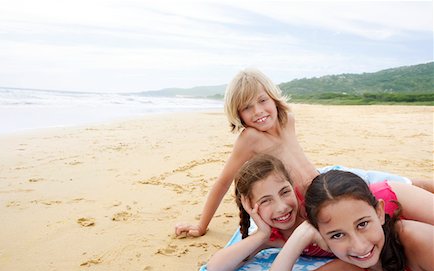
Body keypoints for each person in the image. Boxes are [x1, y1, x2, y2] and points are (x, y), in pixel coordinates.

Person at [174, 68, 434, 238]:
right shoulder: (249, 139)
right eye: (247, 107)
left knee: (414, 184)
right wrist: (201, 225)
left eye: (262, 100)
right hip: (314, 197)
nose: (258, 111)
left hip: (328, 178)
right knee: (394, 212)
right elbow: (223, 181)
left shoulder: (288, 119)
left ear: (273, 98)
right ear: (238, 114)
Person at [206, 154, 434, 271]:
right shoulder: (272, 236)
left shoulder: (313, 206)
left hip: (392, 198)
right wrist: (260, 235)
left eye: (284, 192)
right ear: (250, 206)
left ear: (292, 186)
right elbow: (216, 267)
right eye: (265, 201)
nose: (282, 207)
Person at [262, 170, 434, 271]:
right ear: (322, 238)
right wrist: (303, 233)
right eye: (337, 235)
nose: (359, 246)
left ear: (379, 212)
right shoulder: (349, 269)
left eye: (363, 224)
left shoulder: (416, 240)